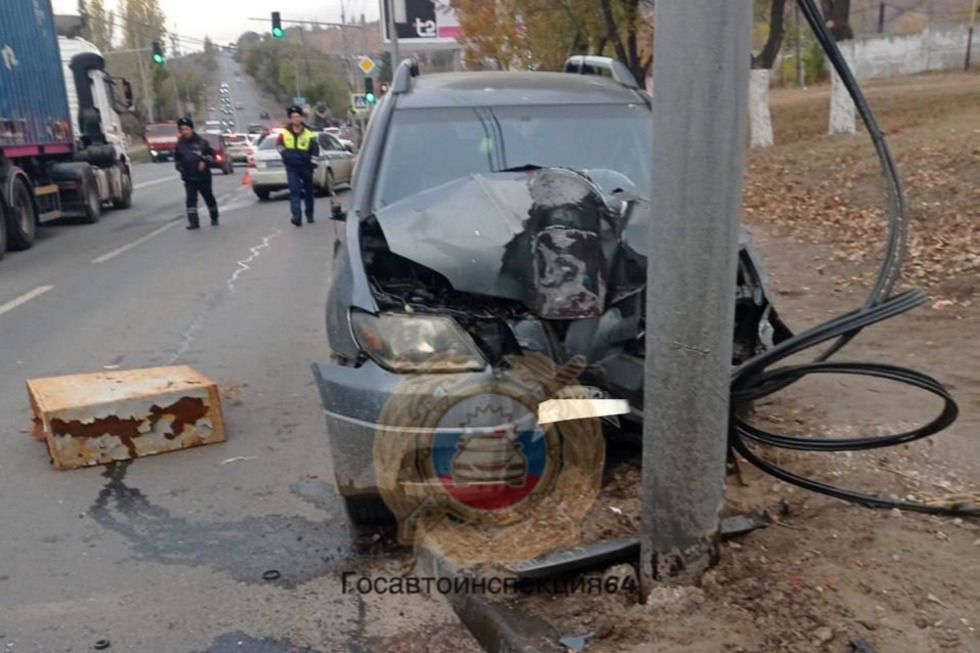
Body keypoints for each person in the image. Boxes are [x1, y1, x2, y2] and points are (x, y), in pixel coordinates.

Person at [277, 105, 320, 227]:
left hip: (306, 166)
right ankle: (296, 216)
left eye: (297, 117)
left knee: (308, 192)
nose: (295, 119)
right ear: (290, 119)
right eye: (293, 117)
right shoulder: (284, 133)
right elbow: (279, 146)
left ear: (301, 118)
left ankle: (309, 214)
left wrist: (313, 163)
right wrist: (285, 154)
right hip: (292, 167)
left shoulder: (309, 133)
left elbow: (315, 149)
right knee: (294, 191)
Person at [173, 117, 219, 229]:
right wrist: (180, 167)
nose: (185, 131)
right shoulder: (179, 144)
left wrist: (204, 161)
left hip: (203, 177)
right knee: (190, 200)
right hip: (189, 178)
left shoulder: (202, 142)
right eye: (182, 129)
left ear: (191, 129)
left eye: (187, 129)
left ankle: (214, 217)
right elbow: (177, 159)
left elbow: (211, 156)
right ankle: (194, 222)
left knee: (208, 197)